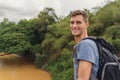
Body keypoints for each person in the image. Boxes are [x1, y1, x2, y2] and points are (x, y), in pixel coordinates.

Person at [70, 10, 99, 80]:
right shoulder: (91, 43)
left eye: (78, 22)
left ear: (87, 24)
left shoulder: (85, 45)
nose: (74, 26)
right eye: (72, 22)